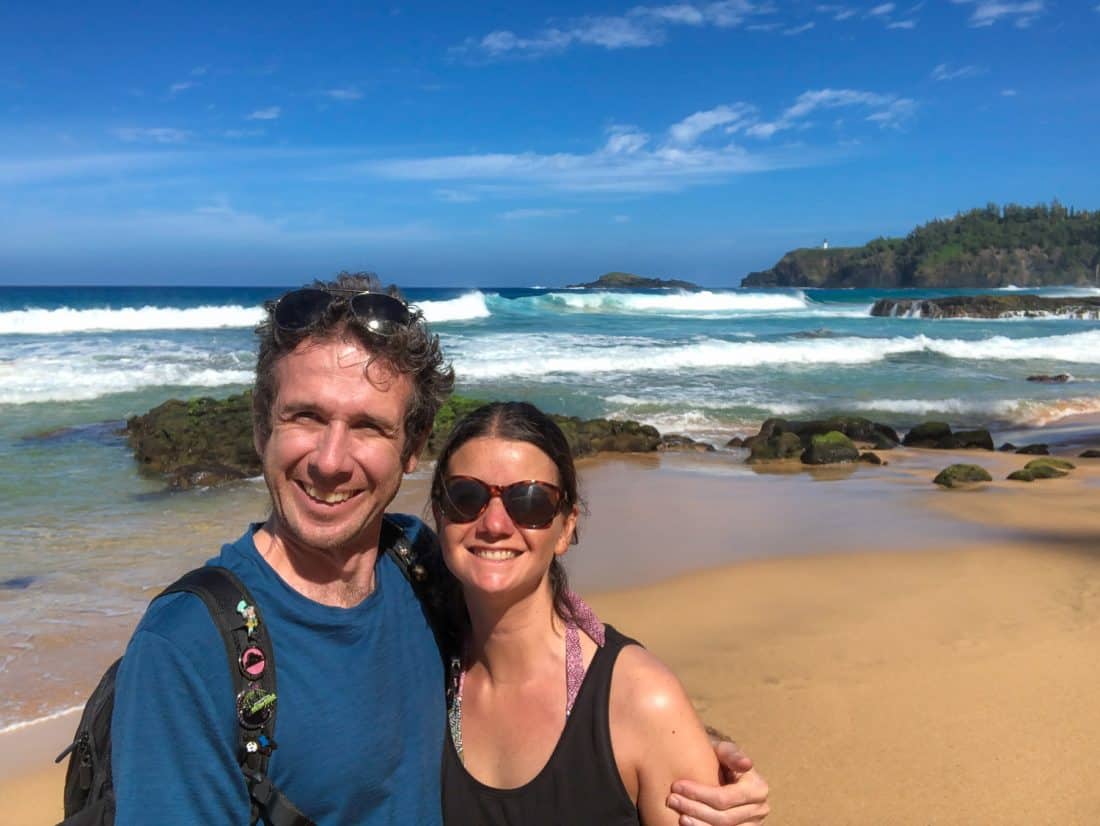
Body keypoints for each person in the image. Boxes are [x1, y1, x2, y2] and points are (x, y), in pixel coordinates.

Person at [110, 272, 769, 825]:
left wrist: (673, 744)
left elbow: (549, 648)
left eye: (367, 425)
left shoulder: (419, 566)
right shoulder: (189, 648)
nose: (331, 461)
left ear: (413, 445)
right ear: (262, 427)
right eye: (306, 416)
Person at [431, 401, 762, 825]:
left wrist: (698, 746)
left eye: (529, 501)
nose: (495, 523)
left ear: (566, 528)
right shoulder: (423, 664)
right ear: (440, 515)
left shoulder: (641, 702)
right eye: (466, 496)